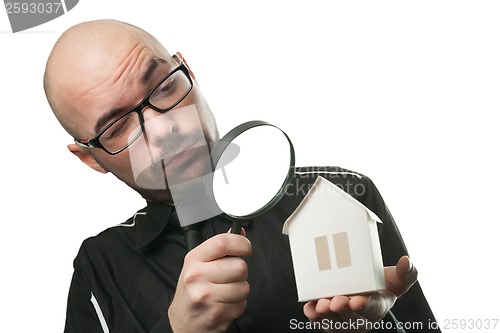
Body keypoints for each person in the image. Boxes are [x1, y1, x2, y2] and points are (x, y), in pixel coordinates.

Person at [44, 19, 440, 333]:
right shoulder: (100, 269)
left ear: (188, 70)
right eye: (116, 128)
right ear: (90, 158)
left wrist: (370, 330)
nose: (165, 130)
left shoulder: (340, 197)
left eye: (164, 86)